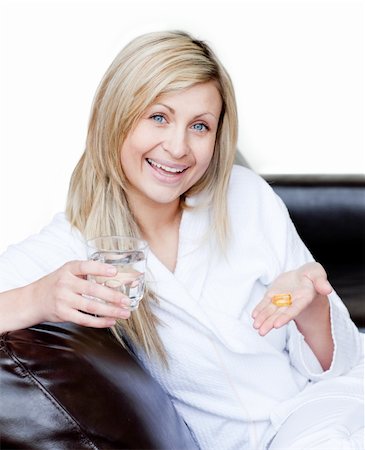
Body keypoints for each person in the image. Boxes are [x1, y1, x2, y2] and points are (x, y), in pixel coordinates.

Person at [0, 30, 363, 449]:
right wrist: (38, 298)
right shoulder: (74, 247)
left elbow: (342, 364)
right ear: (114, 117)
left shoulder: (246, 196)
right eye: (158, 117)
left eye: (200, 126)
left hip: (333, 407)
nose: (178, 147)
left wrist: (312, 306)